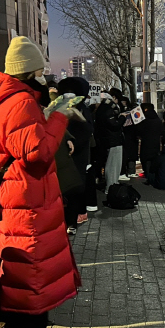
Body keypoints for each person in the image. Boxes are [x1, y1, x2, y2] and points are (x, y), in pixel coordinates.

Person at [0, 36, 79, 328]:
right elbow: (38, 151)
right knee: (32, 284)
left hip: (19, 198)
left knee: (25, 280)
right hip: (29, 203)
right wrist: (60, 115)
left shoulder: (3, 100)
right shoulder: (20, 102)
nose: (44, 76)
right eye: (40, 71)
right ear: (30, 71)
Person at [57, 77, 96, 222]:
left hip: (77, 155)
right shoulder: (58, 107)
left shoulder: (82, 110)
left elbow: (86, 131)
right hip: (66, 154)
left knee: (76, 186)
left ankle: (74, 218)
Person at [94, 87, 127, 192]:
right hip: (113, 140)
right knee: (113, 165)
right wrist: (122, 117)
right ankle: (111, 187)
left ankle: (111, 186)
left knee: (110, 164)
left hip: (107, 140)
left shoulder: (100, 110)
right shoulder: (108, 110)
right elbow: (115, 125)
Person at [137, 103, 163, 183]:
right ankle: (152, 176)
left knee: (145, 159)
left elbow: (139, 131)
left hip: (146, 143)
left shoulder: (144, 120)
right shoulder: (157, 119)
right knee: (153, 159)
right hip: (155, 144)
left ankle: (147, 175)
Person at [121, 96, 138, 178]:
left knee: (128, 154)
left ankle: (129, 171)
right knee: (129, 154)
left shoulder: (124, 111)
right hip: (130, 135)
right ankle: (130, 171)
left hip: (129, 135)